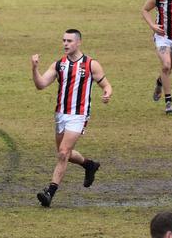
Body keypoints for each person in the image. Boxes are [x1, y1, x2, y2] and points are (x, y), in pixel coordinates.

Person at [30, 29, 112, 207]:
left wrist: (107, 93)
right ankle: (89, 165)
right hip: (60, 114)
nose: (65, 44)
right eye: (64, 40)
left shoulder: (91, 64)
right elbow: (40, 85)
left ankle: (49, 192)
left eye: (69, 41)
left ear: (79, 42)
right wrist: (34, 68)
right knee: (63, 152)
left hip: (79, 115)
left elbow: (106, 85)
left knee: (63, 152)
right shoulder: (58, 65)